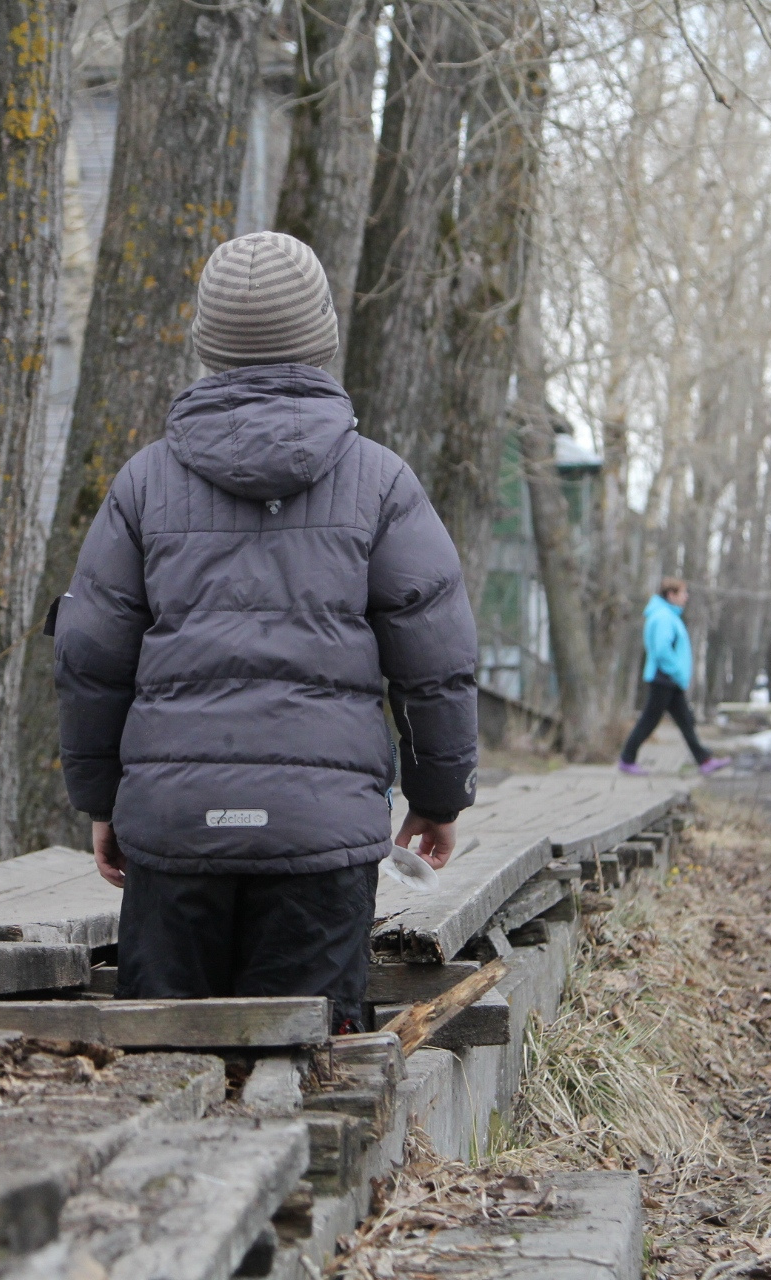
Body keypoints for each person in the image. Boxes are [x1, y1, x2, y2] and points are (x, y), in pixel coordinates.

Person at [49, 231, 482, 1033]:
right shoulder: (379, 482)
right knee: (307, 1074)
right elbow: (436, 660)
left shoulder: (145, 484)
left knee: (160, 1069)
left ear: (206, 343)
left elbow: (90, 659)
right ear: (322, 336)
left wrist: (103, 798)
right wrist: (437, 794)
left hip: (174, 831)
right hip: (322, 839)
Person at [618, 578, 730, 776]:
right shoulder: (663, 617)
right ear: (670, 595)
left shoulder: (667, 615)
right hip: (665, 678)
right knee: (650, 720)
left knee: (685, 720)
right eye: (682, 593)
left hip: (669, 679)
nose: (686, 597)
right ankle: (627, 758)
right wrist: (677, 670)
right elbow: (662, 650)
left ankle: (704, 760)